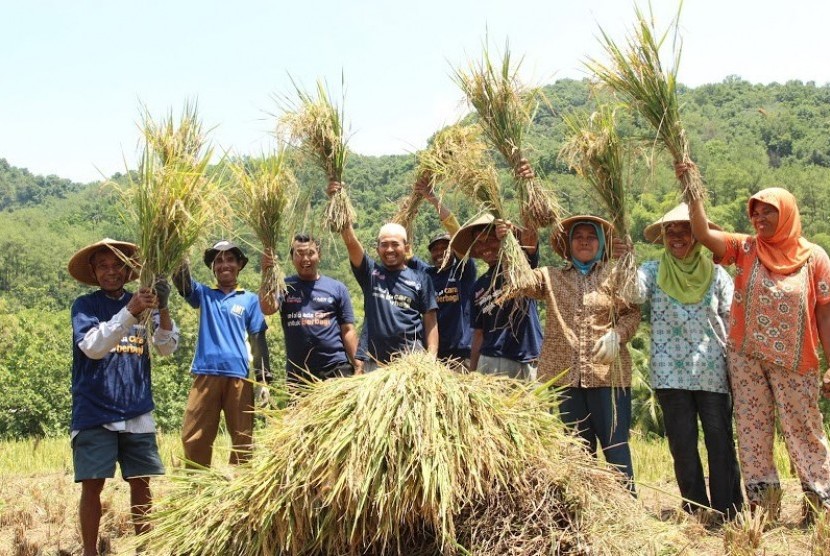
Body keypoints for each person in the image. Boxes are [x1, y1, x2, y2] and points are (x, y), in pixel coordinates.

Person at [688, 181, 830, 519]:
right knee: (752, 431)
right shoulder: (746, 248)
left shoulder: (815, 257)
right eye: (756, 211)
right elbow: (703, 234)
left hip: (797, 362)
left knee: (805, 431)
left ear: (787, 214)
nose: (760, 217)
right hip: (746, 359)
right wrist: (692, 191)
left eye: (769, 210)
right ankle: (765, 509)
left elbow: (825, 313)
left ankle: (821, 504)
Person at [503, 210, 641, 489]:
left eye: (591, 237)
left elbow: (633, 312)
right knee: (575, 454)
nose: (585, 242)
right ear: (567, 245)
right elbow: (519, 282)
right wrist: (508, 243)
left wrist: (618, 335)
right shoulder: (550, 277)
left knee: (616, 450)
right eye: (578, 237)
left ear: (602, 243)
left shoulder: (615, 274)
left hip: (609, 377)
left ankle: (627, 517)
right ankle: (584, 517)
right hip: (564, 378)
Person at [68, 238, 179, 556]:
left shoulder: (145, 302)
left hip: (137, 409)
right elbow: (92, 347)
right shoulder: (85, 306)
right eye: (103, 265)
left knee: (142, 483)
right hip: (94, 410)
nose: (111, 271)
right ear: (93, 271)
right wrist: (131, 311)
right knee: (92, 484)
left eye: (117, 264)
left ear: (129, 268)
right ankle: (91, 551)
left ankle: (145, 548)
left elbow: (166, 347)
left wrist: (163, 306)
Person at [636, 204, 743, 519]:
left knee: (720, 442)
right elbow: (632, 294)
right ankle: (696, 509)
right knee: (682, 445)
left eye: (686, 230)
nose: (677, 236)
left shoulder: (718, 274)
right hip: (669, 374)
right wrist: (625, 258)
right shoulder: (652, 271)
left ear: (698, 236)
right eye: (671, 231)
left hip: (712, 372)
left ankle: (728, 510)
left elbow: (731, 321)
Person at [173, 240, 271, 468]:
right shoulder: (204, 295)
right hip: (205, 373)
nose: (224, 265)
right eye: (218, 261)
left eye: (229, 259)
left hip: (238, 376)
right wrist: (180, 258)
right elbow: (183, 284)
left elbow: (258, 340)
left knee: (242, 437)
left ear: (239, 265)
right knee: (194, 433)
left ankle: (240, 486)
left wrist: (264, 380)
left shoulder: (249, 299)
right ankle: (197, 485)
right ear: (213, 268)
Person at [327, 180, 438, 372]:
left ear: (407, 247)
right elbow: (351, 241)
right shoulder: (371, 274)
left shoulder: (421, 278)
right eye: (384, 244)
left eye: (395, 244)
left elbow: (430, 320)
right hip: (374, 362)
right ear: (377, 248)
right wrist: (337, 201)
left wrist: (431, 356)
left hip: (411, 361)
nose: (389, 249)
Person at [449, 213, 542, 379]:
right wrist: (473, 372)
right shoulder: (479, 285)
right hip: (489, 360)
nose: (484, 247)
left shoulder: (520, 266)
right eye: (478, 243)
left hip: (526, 359)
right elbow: (478, 333)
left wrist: (511, 234)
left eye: (490, 239)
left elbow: (530, 240)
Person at [259, 233, 358, 382]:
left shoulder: (337, 288)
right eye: (299, 254)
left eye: (310, 253)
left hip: (336, 369)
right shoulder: (284, 286)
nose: (305, 259)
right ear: (292, 258)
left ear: (319, 255)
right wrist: (266, 272)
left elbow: (348, 330)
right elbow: (267, 308)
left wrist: (358, 366)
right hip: (298, 374)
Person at [413, 178, 478, 365]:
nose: (440, 252)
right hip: (434, 354)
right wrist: (410, 213)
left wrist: (433, 199)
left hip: (462, 353)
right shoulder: (427, 275)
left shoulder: (463, 271)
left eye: (445, 247)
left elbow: (456, 232)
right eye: (435, 249)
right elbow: (406, 251)